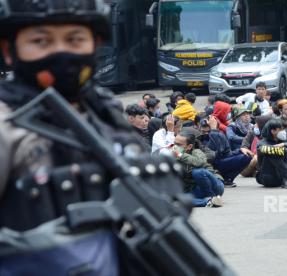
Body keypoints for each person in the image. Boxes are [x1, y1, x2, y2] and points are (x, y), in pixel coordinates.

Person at [0, 0, 185, 273]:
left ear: (95, 44)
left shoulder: (106, 114)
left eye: (75, 39)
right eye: (41, 40)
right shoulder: (7, 125)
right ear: (8, 50)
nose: (61, 52)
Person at [172, 131, 224, 207]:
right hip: (196, 189)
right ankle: (209, 202)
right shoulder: (173, 158)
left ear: (189, 146)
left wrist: (180, 155)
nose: (175, 147)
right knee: (177, 198)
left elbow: (200, 162)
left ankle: (211, 196)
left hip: (214, 185)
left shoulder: (196, 152)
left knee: (197, 172)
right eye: (174, 143)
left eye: (178, 145)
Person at [199, 116, 251, 187]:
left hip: (220, 162)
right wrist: (213, 131)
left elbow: (227, 153)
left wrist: (239, 150)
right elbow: (211, 155)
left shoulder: (220, 135)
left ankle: (227, 179)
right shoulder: (198, 137)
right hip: (208, 165)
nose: (205, 134)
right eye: (203, 131)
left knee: (246, 155)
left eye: (208, 131)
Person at [256, 119, 287, 189]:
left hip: (284, 176)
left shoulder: (283, 140)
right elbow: (264, 149)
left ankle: (286, 179)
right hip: (268, 177)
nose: (284, 131)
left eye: (284, 129)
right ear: (273, 131)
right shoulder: (262, 142)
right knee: (272, 152)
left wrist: (284, 144)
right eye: (280, 129)